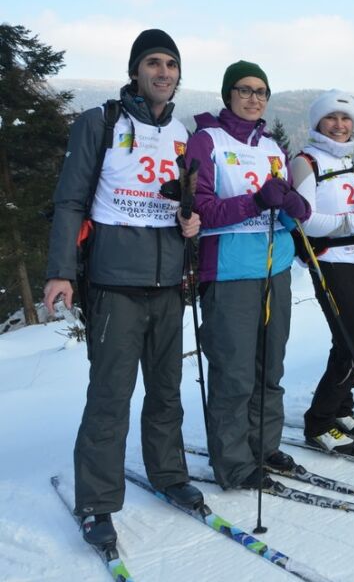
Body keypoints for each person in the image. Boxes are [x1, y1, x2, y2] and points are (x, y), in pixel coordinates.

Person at [43, 29, 203, 547]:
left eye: (171, 64)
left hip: (168, 284)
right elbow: (70, 201)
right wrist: (61, 271)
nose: (163, 72)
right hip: (114, 283)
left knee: (166, 393)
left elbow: (183, 207)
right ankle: (96, 502)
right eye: (153, 62)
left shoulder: (182, 134)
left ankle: (169, 474)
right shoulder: (101, 122)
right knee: (110, 397)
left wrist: (190, 222)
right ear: (136, 70)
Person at [186, 60, 310, 489]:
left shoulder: (273, 146)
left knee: (269, 368)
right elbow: (200, 211)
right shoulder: (207, 141)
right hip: (229, 271)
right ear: (228, 95)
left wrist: (295, 209)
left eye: (262, 91)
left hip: (275, 270)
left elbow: (287, 206)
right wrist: (255, 202)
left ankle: (264, 446)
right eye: (245, 90)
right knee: (234, 374)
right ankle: (234, 463)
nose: (254, 98)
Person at [290, 90, 354, 456]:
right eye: (331, 118)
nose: (340, 125)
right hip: (331, 262)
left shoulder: (348, 161)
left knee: (349, 344)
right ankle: (319, 421)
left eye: (346, 119)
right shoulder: (306, 162)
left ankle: (342, 409)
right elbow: (304, 219)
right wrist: (352, 221)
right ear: (317, 122)